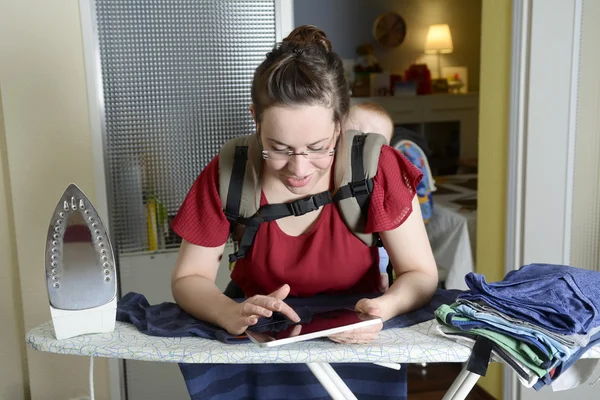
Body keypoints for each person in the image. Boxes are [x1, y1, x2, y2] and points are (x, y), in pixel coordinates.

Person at [170, 25, 438, 400]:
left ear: (340, 122)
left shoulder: (376, 168)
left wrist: (383, 308)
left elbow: (421, 274)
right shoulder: (230, 173)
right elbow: (189, 278)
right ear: (255, 119)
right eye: (278, 148)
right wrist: (229, 312)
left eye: (318, 148)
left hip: (357, 345)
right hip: (260, 348)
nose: (299, 170)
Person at [345, 102, 395, 292]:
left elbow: (383, 241)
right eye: (354, 138)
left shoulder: (379, 188)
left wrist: (382, 271)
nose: (361, 150)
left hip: (366, 282)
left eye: (374, 144)